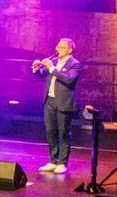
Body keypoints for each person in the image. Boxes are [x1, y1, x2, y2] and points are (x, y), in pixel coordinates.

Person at [33, 39, 83, 176]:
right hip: (49, 101)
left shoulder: (75, 64)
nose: (58, 49)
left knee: (63, 134)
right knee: (51, 132)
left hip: (64, 102)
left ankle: (62, 163)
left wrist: (51, 68)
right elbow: (42, 74)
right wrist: (36, 69)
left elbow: (68, 79)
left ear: (70, 50)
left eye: (61, 47)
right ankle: (53, 161)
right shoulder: (54, 61)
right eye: (57, 46)